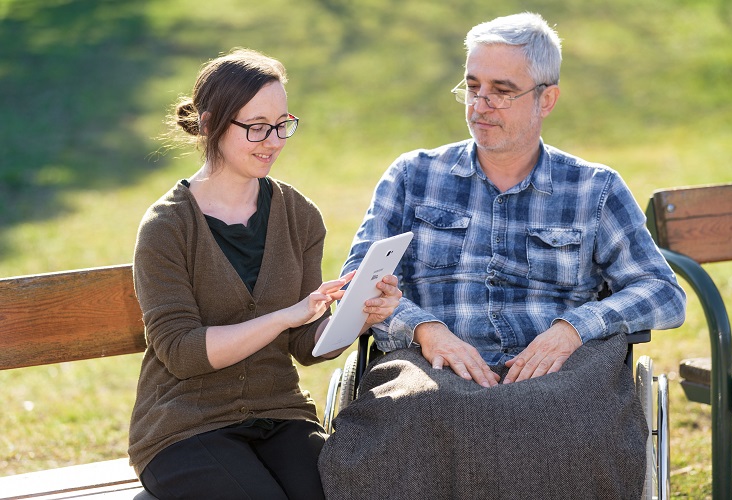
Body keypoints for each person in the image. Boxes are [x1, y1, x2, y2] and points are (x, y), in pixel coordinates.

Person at [318, 12, 686, 499]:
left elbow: (663, 294)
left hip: (556, 375)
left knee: (562, 423)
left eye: (502, 90)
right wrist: (424, 330)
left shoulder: (594, 189)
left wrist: (574, 328)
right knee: (419, 410)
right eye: (472, 86)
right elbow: (357, 285)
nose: (480, 104)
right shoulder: (412, 176)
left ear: (546, 99)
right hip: (432, 369)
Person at [127, 48, 401, 500]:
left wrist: (358, 317)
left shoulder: (300, 216)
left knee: (346, 489)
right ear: (212, 124)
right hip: (185, 426)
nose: (272, 140)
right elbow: (181, 352)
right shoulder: (167, 227)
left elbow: (305, 346)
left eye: (281, 125)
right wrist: (282, 317)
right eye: (256, 127)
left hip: (281, 413)